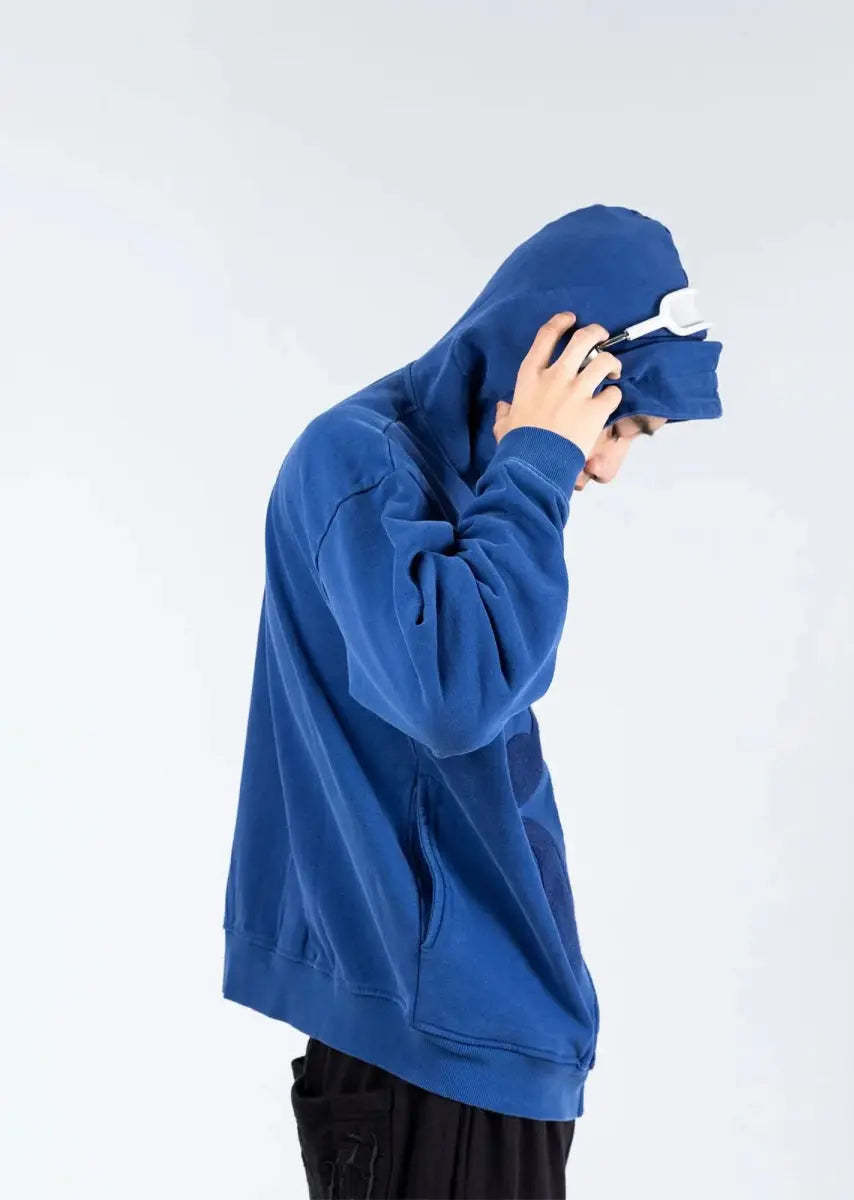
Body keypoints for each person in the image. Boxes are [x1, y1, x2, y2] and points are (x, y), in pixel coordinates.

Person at [221, 203, 723, 1198]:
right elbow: (453, 699)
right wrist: (535, 460)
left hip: (485, 1038)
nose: (609, 464)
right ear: (544, 362)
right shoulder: (363, 462)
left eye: (636, 435)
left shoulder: (471, 487)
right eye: (614, 421)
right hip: (432, 1049)